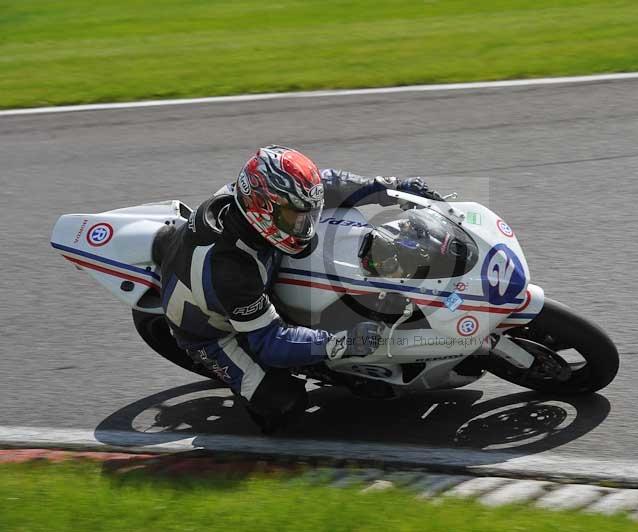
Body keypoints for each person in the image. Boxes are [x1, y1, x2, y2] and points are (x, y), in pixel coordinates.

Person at [153, 145, 439, 431]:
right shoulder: (232, 270)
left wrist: (390, 187)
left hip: (256, 272)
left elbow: (327, 184)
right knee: (283, 404)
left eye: (307, 215)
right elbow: (269, 342)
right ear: (263, 210)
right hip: (213, 334)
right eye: (295, 217)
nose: (305, 224)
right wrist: (343, 342)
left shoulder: (255, 198)